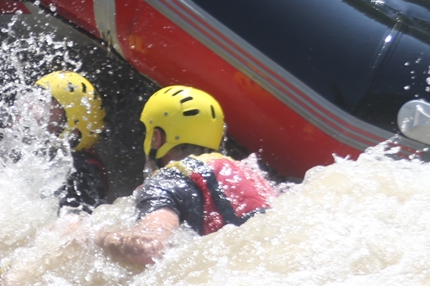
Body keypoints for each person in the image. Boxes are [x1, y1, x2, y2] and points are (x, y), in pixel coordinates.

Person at [96, 85, 275, 266]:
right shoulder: (251, 173)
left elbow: (149, 247)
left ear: (156, 137)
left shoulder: (170, 180)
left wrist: (93, 237)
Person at [32, 71, 108, 213]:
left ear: (72, 133)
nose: (32, 110)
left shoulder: (80, 173)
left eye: (45, 104)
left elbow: (72, 226)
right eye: (36, 99)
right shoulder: (32, 152)